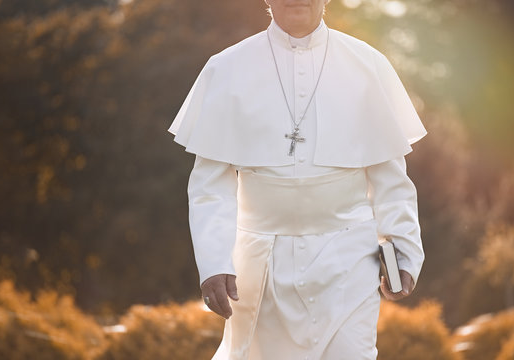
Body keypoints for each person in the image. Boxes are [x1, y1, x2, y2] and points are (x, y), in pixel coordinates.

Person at [168, 0, 427, 359]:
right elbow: (211, 187)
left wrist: (403, 249)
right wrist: (214, 263)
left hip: (348, 263)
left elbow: (391, 179)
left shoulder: (367, 65)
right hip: (260, 268)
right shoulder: (226, 68)